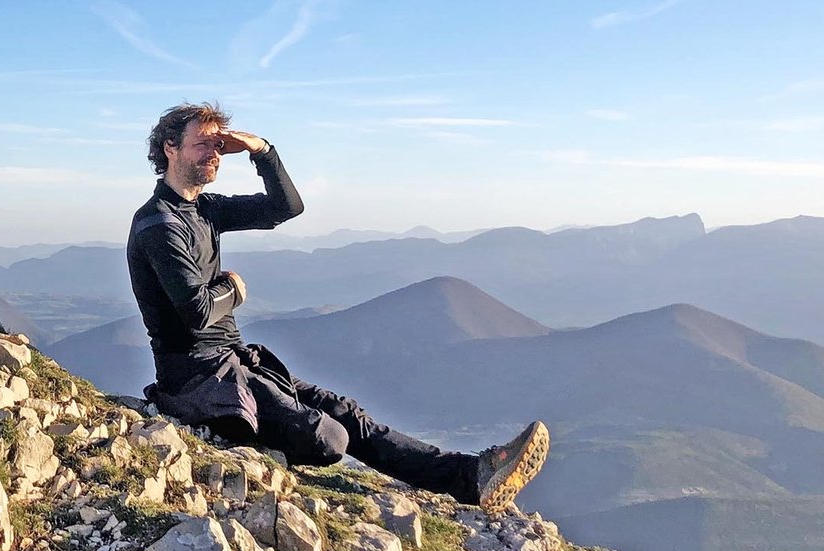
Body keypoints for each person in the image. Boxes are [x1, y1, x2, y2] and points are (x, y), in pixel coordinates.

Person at [126, 101, 548, 513]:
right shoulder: (159, 224)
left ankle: (469, 477)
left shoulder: (204, 210)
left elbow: (285, 207)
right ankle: (244, 433)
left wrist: (262, 151)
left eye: (219, 146)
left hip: (235, 359)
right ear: (169, 147)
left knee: (347, 413)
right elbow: (197, 312)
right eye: (203, 144)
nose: (215, 154)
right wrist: (233, 289)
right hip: (198, 377)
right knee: (328, 439)